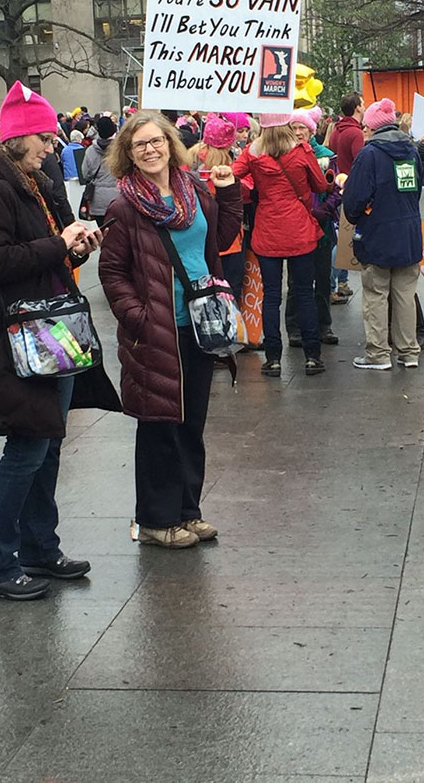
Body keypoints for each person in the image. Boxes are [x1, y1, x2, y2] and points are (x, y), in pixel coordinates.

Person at [0, 81, 120, 601]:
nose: (54, 146)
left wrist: (78, 244)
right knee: (28, 448)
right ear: (19, 137)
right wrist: (56, 244)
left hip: (50, 327)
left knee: (48, 444)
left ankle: (39, 547)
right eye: (45, 137)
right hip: (11, 337)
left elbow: (55, 251)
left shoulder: (37, 179)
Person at [98, 110, 242, 549]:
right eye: (140, 144)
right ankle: (157, 521)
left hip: (200, 323)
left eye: (156, 141)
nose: (150, 149)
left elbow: (221, 238)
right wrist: (137, 315)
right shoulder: (123, 207)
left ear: (170, 143)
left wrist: (229, 191)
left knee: (191, 422)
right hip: (155, 330)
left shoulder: (195, 190)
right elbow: (111, 272)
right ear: (128, 154)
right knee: (160, 424)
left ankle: (187, 511)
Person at [232, 113, 328, 377]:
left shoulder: (252, 153)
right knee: (304, 293)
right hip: (298, 230)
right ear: (286, 125)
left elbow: (233, 175)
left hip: (267, 230)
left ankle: (273, 358)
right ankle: (312, 356)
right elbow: (320, 185)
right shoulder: (301, 151)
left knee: (271, 296)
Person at [342, 98, 424, 370]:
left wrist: (355, 217)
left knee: (376, 294)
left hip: (378, 232)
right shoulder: (411, 150)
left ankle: (378, 353)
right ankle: (409, 351)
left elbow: (355, 197)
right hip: (409, 232)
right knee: (405, 294)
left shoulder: (370, 154)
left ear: (373, 127)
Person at [286, 109, 342, 347]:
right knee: (296, 280)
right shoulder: (283, 155)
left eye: (303, 128)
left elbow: (337, 189)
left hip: (322, 226)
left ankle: (323, 325)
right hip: (295, 226)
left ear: (312, 130)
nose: (298, 132)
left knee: (322, 276)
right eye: (294, 127)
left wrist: (324, 210)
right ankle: (294, 326)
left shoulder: (327, 157)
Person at [188, 114, 245, 302]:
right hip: (227, 243)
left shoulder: (188, 161)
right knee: (229, 293)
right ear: (228, 143)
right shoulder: (226, 167)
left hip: (196, 240)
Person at [330, 92, 365, 301]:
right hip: (352, 191)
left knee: (341, 238)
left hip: (337, 188)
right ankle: (333, 283)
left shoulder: (336, 131)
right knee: (344, 241)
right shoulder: (355, 133)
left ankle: (340, 282)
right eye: (363, 103)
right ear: (358, 108)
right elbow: (360, 164)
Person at [82, 115, 119, 228]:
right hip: (118, 198)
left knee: (104, 236)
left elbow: (85, 174)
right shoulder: (120, 150)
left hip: (97, 200)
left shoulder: (90, 151)